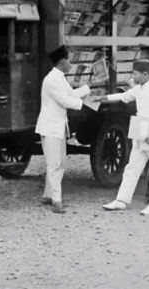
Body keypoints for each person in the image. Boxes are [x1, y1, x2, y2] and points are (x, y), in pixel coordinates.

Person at [101, 59, 149, 215]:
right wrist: (105, 98)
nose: (132, 77)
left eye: (135, 74)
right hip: (140, 133)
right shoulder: (139, 89)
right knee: (132, 168)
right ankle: (121, 200)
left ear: (145, 75)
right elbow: (124, 96)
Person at [35, 45, 91, 213]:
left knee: (60, 163)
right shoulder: (52, 80)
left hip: (57, 127)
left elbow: (71, 95)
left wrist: (89, 88)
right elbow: (65, 100)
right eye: (68, 60)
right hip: (50, 127)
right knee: (54, 164)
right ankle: (56, 201)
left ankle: (48, 195)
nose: (70, 63)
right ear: (62, 62)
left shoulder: (59, 78)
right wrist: (86, 104)